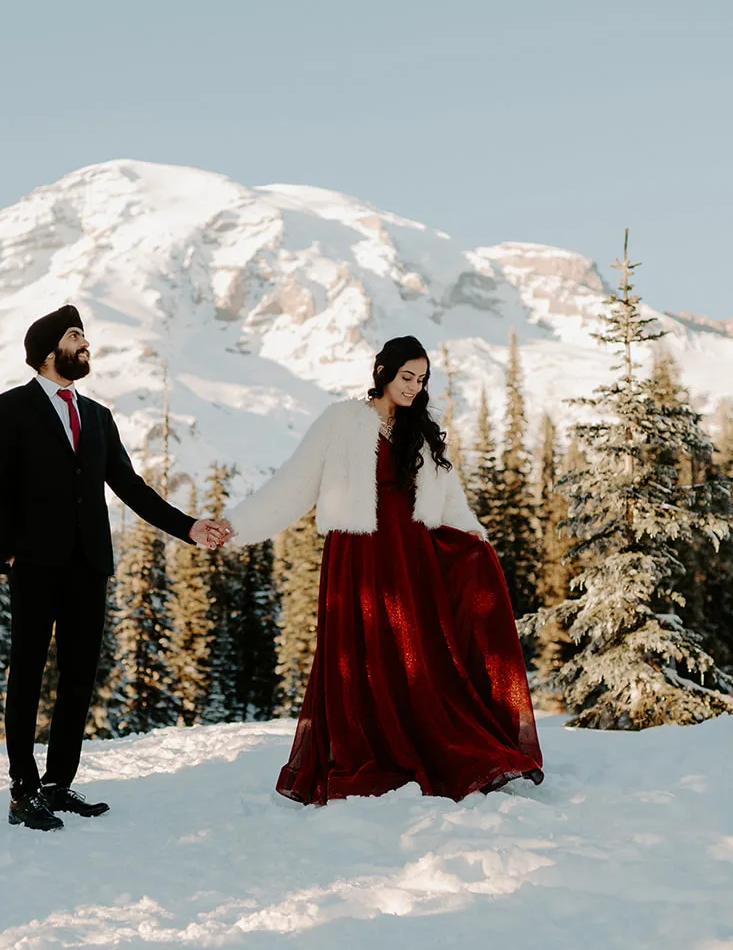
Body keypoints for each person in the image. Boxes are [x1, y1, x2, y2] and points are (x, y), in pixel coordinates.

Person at [224, 336, 544, 804]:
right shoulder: (343, 420)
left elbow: (450, 500)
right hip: (358, 556)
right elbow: (293, 484)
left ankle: (429, 742)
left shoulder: (423, 429)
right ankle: (372, 746)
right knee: (362, 655)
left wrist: (474, 537)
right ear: (382, 373)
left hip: (411, 556)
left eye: (421, 379)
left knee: (419, 657)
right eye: (405, 377)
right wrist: (235, 527)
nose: (413, 387)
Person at [0, 305, 231, 830]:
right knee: (27, 671)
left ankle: (57, 784)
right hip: (33, 561)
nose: (85, 344)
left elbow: (130, 487)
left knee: (77, 676)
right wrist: (6, 550)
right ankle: (22, 790)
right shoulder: (10, 408)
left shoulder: (97, 416)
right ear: (49, 351)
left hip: (88, 564)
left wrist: (188, 527)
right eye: (76, 336)